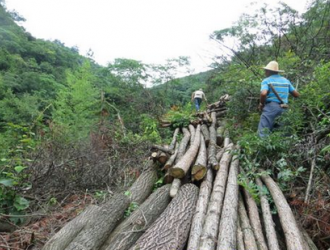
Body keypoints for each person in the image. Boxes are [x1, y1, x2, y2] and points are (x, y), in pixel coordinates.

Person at [258, 61, 300, 137]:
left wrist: (261, 104)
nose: (265, 72)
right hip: (284, 108)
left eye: (265, 70)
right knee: (281, 133)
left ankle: (262, 148)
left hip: (271, 107)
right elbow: (296, 95)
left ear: (268, 71)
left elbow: (263, 93)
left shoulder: (266, 80)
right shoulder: (286, 81)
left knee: (263, 131)